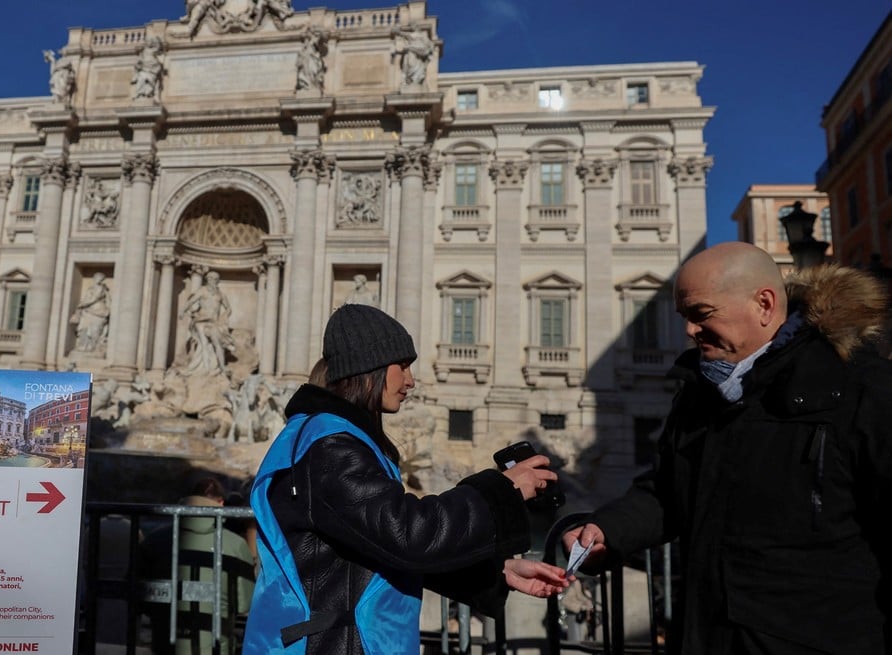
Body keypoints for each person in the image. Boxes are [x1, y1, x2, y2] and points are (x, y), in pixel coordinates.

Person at [563, 242, 892, 654]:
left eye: (701, 314)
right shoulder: (700, 393)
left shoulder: (865, 388)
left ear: (765, 305)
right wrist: (610, 530)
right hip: (708, 635)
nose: (689, 330)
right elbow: (669, 490)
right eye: (685, 317)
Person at [243, 303, 569, 654]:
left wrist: (495, 571)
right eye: (403, 365)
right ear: (370, 367)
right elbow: (408, 533)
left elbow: (377, 548)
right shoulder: (330, 446)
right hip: (332, 644)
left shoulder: (331, 438)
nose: (411, 381)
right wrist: (502, 489)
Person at [142, 476, 255, 655]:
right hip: (215, 648)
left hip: (164, 646)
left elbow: (140, 596)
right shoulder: (235, 544)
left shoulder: (154, 540)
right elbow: (244, 604)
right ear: (221, 503)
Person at [179, 270, 236, 375]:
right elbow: (191, 301)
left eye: (215, 278)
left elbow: (228, 308)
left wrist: (224, 318)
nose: (212, 280)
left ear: (218, 281)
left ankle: (222, 367)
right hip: (201, 320)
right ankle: (206, 369)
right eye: (210, 278)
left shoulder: (221, 294)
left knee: (217, 343)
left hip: (214, 322)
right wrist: (183, 310)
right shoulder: (202, 290)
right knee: (204, 343)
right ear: (207, 279)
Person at [71, 272, 111, 353]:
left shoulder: (101, 289)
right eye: (97, 278)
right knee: (84, 328)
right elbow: (86, 298)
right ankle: (83, 346)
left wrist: (82, 305)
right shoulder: (90, 288)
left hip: (98, 310)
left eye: (100, 278)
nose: (98, 280)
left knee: (95, 330)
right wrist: (82, 304)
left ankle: (92, 348)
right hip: (88, 311)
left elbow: (94, 298)